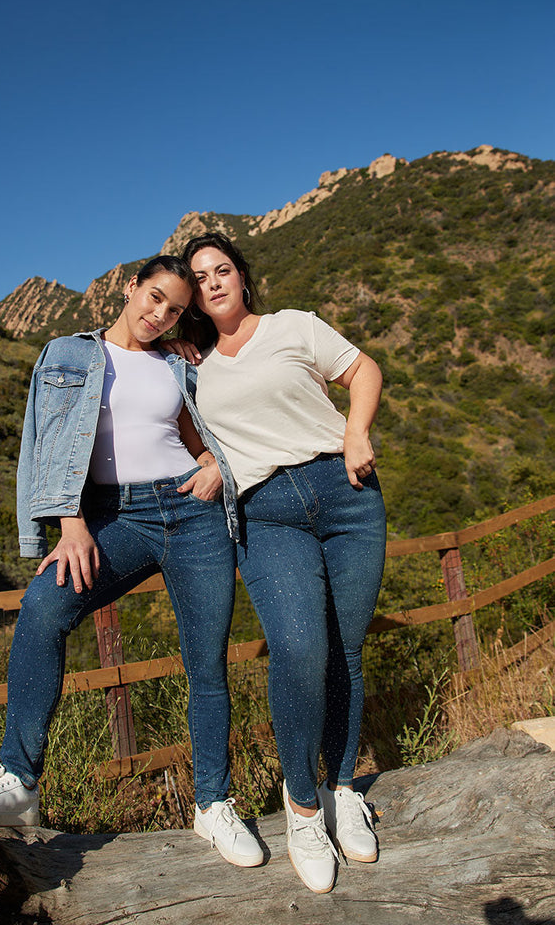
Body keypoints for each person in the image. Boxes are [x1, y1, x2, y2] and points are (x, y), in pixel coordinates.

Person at [0, 255, 263, 870]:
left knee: (206, 660)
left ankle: (213, 803)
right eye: (154, 297)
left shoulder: (177, 362)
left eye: (174, 310)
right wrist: (69, 525)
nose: (159, 315)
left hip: (192, 512)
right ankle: (18, 781)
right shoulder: (67, 354)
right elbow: (43, 443)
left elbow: (197, 435)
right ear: (130, 287)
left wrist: (214, 465)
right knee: (44, 607)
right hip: (116, 517)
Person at [174, 233, 387, 894]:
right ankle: (303, 810)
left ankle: (341, 788)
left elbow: (364, 370)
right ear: (193, 296)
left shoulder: (293, 326)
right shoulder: (192, 366)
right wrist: (211, 463)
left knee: (345, 650)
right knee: (298, 650)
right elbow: (182, 433)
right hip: (266, 512)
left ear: (242, 277)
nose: (213, 282)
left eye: (223, 269)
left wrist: (356, 433)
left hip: (346, 493)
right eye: (200, 277)